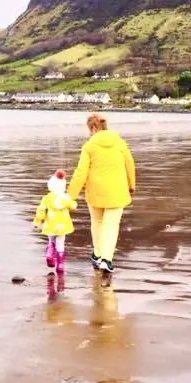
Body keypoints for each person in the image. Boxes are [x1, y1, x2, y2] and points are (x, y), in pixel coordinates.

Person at [67, 113, 136, 273]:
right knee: (111, 226)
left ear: (93, 128)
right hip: (118, 191)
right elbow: (130, 165)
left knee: (97, 223)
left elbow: (80, 173)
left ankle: (98, 255)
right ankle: (106, 259)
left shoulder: (89, 146)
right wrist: (132, 185)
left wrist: (70, 196)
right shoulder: (120, 143)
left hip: (95, 191)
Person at [32, 169, 76, 272]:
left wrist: (38, 221)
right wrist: (73, 203)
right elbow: (73, 205)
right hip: (63, 226)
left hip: (50, 224)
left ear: (50, 185)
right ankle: (60, 265)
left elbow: (41, 210)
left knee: (51, 240)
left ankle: (49, 254)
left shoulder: (47, 198)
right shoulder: (66, 198)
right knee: (60, 243)